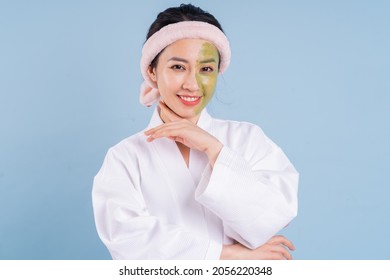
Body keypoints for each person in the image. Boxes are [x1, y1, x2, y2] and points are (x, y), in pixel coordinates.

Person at [92, 3, 299, 260]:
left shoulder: (248, 139)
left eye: (206, 69)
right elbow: (129, 241)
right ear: (152, 71)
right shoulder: (125, 157)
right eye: (178, 67)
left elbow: (271, 217)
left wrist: (213, 149)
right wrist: (226, 255)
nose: (192, 84)